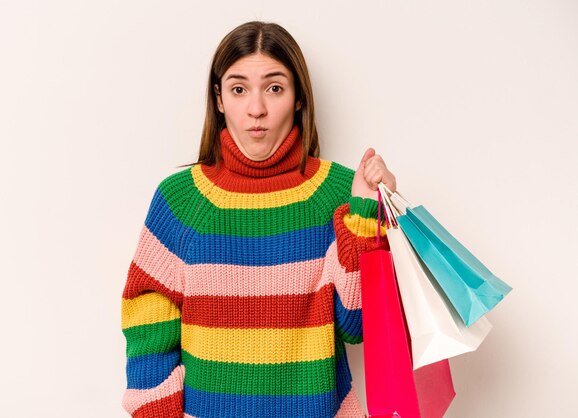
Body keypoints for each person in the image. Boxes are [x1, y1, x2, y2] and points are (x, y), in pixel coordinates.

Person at [120, 20, 397, 418]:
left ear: (299, 98)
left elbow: (357, 327)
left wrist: (368, 212)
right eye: (238, 89)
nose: (256, 109)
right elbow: (148, 324)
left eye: (274, 88)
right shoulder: (182, 200)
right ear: (218, 99)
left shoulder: (339, 192)